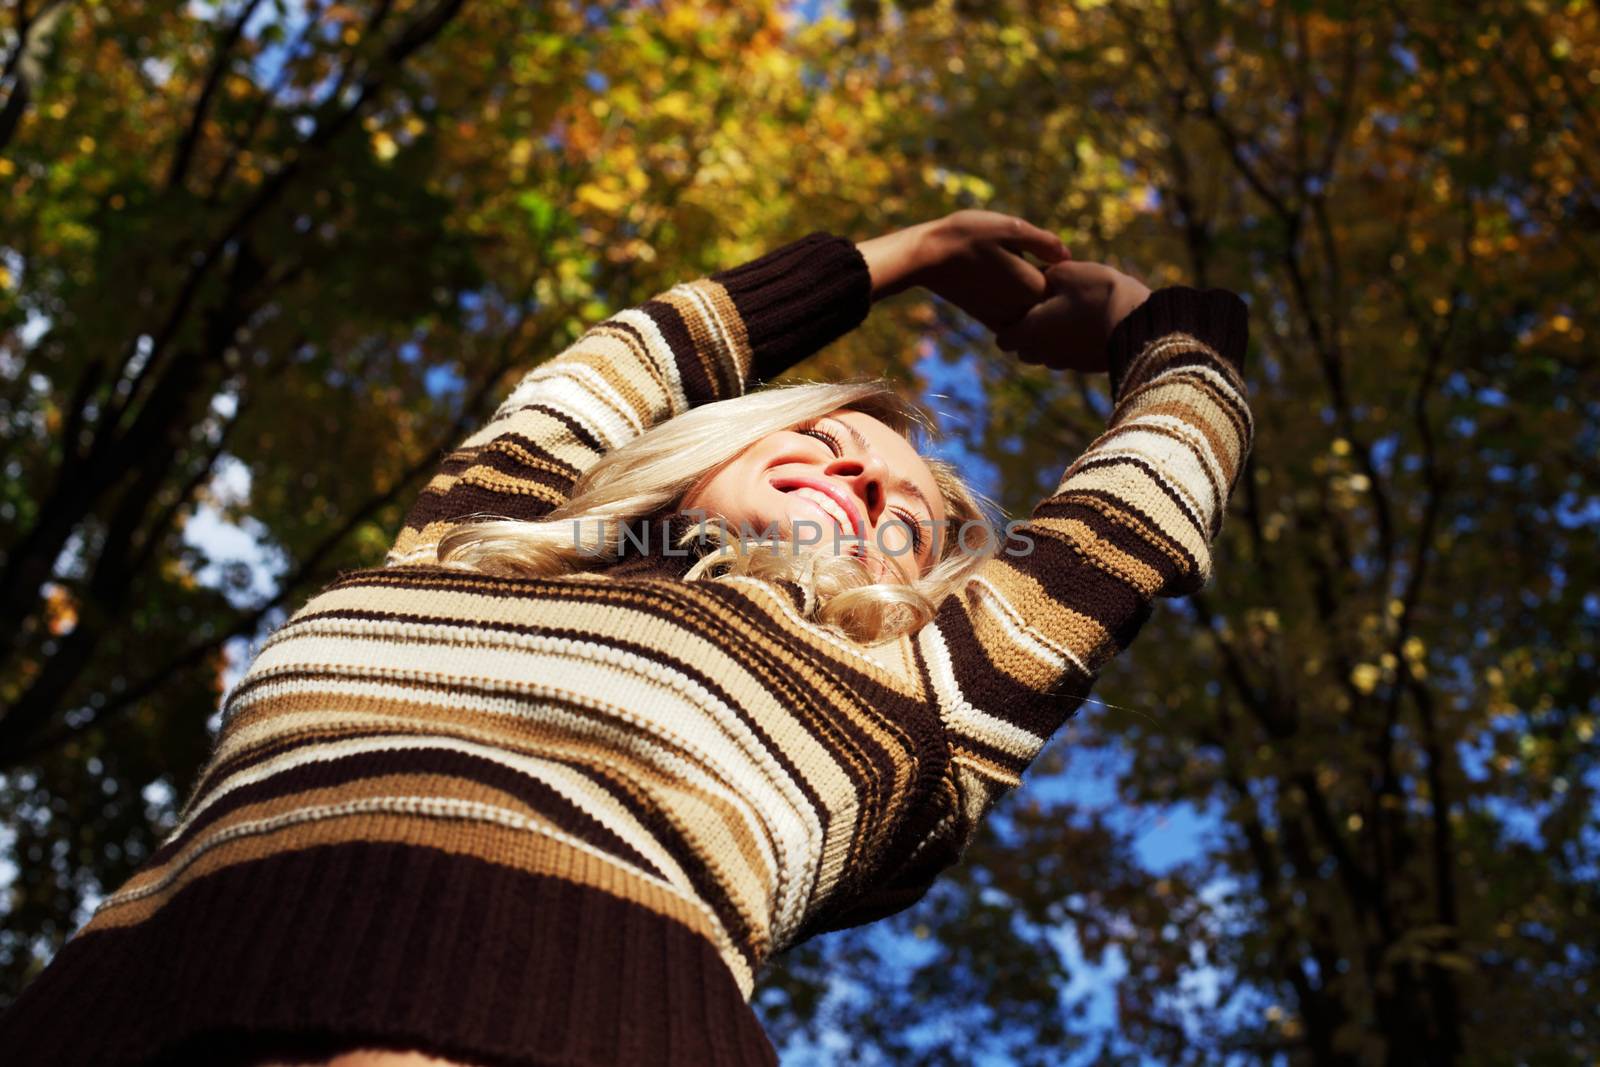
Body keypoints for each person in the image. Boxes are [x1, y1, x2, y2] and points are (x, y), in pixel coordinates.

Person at [0, 210, 1253, 1066]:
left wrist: (1163, 328)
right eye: (822, 436)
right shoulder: (475, 539)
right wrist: (905, 254)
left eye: (908, 511)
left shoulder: (922, 685)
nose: (864, 478)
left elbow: (1134, 515)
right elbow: (617, 361)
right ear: (704, 452)